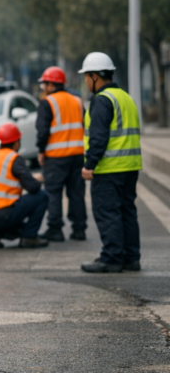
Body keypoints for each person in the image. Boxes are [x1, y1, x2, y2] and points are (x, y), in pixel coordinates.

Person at [79, 52, 142, 273]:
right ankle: (131, 258)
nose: (86, 81)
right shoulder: (125, 97)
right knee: (127, 211)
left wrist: (89, 164)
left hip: (109, 168)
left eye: (87, 76)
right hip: (130, 166)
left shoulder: (102, 100)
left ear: (95, 76)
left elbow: (98, 137)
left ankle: (112, 258)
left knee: (108, 212)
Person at [0, 123, 50, 249]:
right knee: (41, 196)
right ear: (16, 143)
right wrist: (37, 179)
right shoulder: (13, 158)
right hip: (2, 214)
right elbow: (33, 187)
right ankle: (29, 237)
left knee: (16, 224)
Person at [36, 66, 87, 242]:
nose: (43, 88)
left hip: (56, 156)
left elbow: (42, 131)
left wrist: (41, 151)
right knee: (76, 193)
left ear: (51, 85)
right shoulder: (78, 101)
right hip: (78, 155)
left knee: (54, 192)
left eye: (44, 84)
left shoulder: (47, 102)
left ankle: (55, 229)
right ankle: (79, 229)